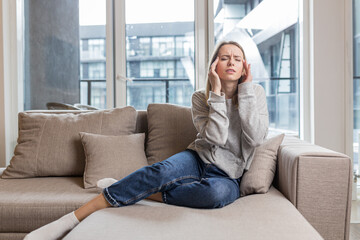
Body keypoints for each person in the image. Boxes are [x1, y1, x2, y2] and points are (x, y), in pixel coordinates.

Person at [24, 40, 269, 240]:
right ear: (214, 65)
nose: (231, 62)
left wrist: (245, 92)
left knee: (217, 196)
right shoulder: (200, 97)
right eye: (225, 57)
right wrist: (216, 94)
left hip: (227, 175)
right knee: (160, 172)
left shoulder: (254, 94)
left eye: (237, 59)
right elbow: (215, 137)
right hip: (197, 158)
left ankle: (142, 191)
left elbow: (256, 137)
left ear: (245, 67)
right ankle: (70, 219)